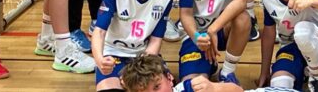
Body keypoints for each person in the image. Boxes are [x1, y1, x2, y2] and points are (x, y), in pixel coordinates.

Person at [119, 54, 298, 92]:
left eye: (157, 87)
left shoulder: (190, 88)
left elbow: (237, 90)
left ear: (170, 78)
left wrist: (214, 87)